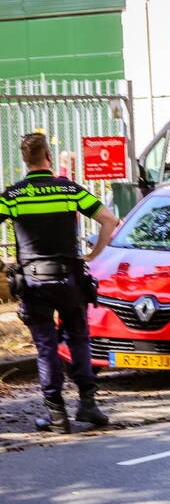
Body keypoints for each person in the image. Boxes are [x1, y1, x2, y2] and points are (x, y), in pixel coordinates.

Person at [1, 133, 120, 433]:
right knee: (79, 339)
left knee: (45, 347)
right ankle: (88, 405)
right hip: (70, 279)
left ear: (24, 159)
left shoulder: (12, 196)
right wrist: (93, 254)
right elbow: (109, 220)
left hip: (32, 281)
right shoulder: (69, 190)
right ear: (48, 157)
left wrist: (3, 267)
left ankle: (56, 415)